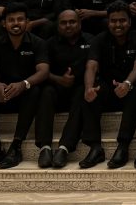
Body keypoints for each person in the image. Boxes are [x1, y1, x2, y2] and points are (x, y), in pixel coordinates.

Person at [0, 3, 49, 169]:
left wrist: (24, 84)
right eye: (11, 20)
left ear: (27, 22)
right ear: (4, 23)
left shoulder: (38, 43)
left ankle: (16, 146)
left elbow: (43, 71)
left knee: (35, 90)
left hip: (24, 95)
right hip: (1, 95)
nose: (16, 23)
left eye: (20, 19)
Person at [83, 1, 136, 169]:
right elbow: (91, 65)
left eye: (122, 20)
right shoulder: (99, 40)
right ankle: (95, 147)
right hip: (108, 88)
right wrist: (89, 87)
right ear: (108, 22)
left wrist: (127, 83)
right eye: (113, 21)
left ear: (130, 22)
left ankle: (123, 146)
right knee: (91, 90)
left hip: (129, 88)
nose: (118, 24)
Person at [34, 10, 98, 169]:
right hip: (56, 88)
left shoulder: (92, 40)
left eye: (72, 22)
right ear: (57, 25)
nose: (68, 25)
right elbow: (42, 72)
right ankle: (45, 147)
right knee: (45, 92)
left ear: (79, 23)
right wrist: (59, 80)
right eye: (63, 23)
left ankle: (64, 148)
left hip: (80, 89)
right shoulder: (48, 44)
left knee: (81, 93)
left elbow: (94, 67)